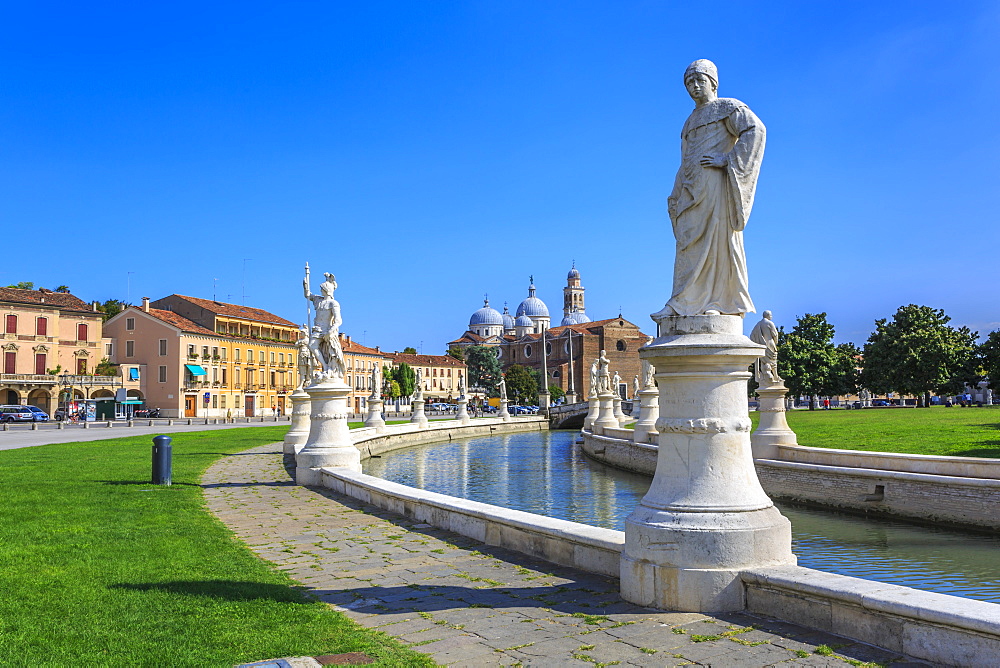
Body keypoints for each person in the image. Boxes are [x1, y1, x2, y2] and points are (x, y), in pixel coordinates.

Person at [653, 59, 765, 319]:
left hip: (716, 186)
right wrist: (676, 189)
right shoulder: (689, 121)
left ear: (713, 83)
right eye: (689, 83)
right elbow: (686, 159)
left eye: (699, 81)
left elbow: (755, 130)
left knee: (716, 242)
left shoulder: (728, 107)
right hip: (691, 188)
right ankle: (681, 303)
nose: (694, 86)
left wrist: (728, 159)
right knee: (687, 244)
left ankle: (718, 301)